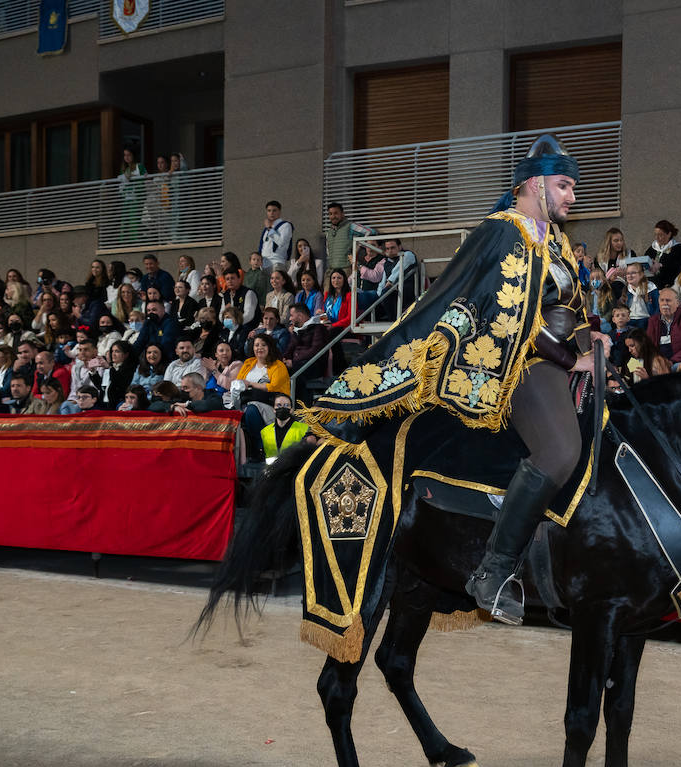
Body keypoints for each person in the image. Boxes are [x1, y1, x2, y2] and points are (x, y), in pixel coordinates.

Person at [311, 135, 607, 627]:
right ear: (534, 184)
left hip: (561, 359)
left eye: (573, 187)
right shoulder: (501, 232)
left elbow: (569, 307)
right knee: (558, 453)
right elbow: (508, 317)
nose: (573, 196)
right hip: (519, 365)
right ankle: (494, 570)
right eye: (564, 185)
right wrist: (567, 359)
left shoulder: (552, 240)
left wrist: (591, 342)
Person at [647, 287, 681, 365]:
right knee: (635, 366)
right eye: (662, 300)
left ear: (678, 303)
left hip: (680, 362)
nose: (664, 303)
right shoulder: (653, 320)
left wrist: (672, 361)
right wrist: (658, 361)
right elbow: (649, 345)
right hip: (659, 363)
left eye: (668, 300)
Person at [260, 393, 311, 460]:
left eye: (286, 405)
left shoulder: (304, 429)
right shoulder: (264, 431)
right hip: (270, 469)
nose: (282, 408)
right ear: (274, 409)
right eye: (279, 405)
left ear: (291, 410)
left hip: (295, 469)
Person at [646, 219, 681, 289]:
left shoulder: (678, 248)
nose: (657, 238)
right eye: (655, 234)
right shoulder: (652, 248)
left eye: (660, 235)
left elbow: (679, 268)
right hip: (651, 286)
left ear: (669, 234)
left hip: (669, 286)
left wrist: (661, 266)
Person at [259, 200, 294, 271]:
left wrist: (269, 228)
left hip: (277, 262)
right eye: (269, 211)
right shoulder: (267, 229)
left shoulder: (285, 225)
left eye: (274, 210)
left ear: (279, 211)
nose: (271, 213)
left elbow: (281, 242)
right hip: (264, 264)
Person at [618, 262, 657, 328]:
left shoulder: (650, 287)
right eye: (628, 273)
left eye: (633, 273)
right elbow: (622, 307)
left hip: (646, 319)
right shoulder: (626, 289)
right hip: (630, 319)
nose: (630, 276)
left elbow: (657, 307)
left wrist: (654, 321)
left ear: (641, 274)